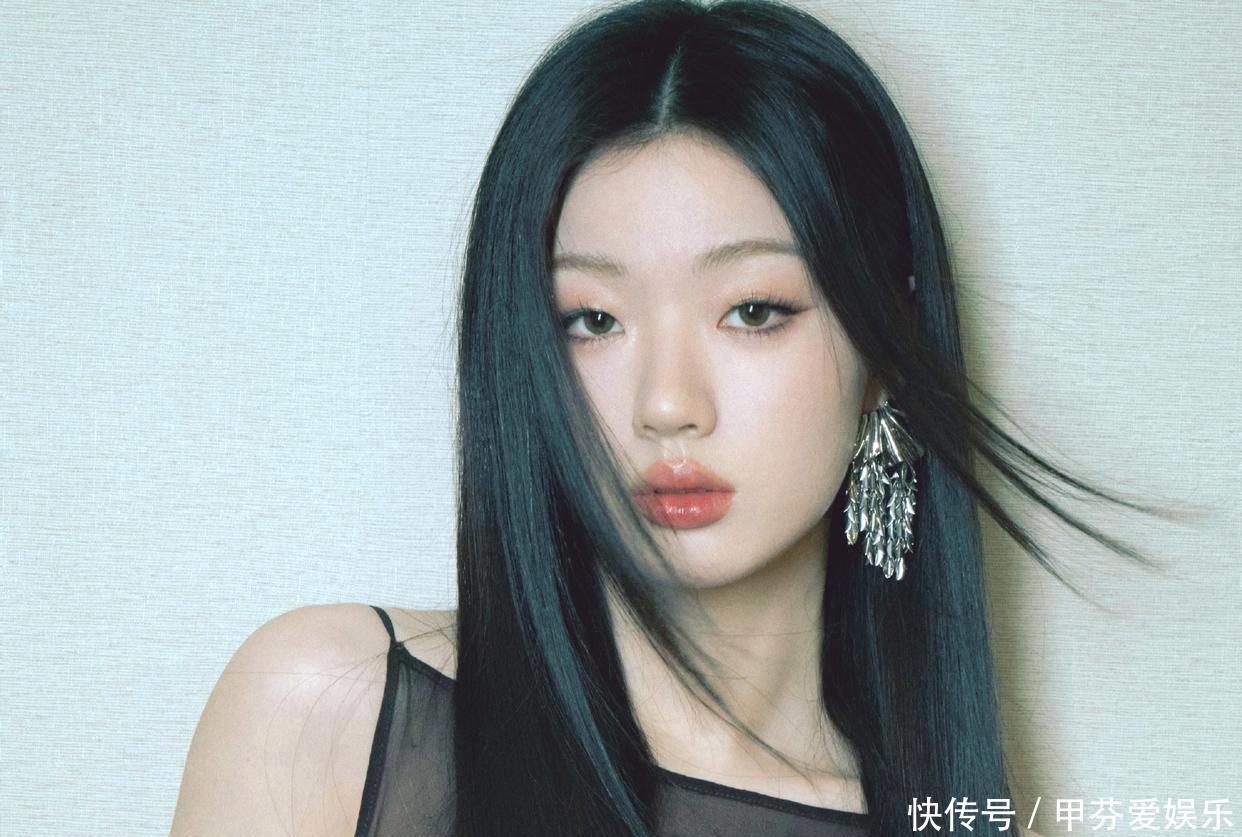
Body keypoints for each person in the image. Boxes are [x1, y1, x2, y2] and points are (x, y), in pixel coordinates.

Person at [172, 1, 1165, 835]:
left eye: (754, 311)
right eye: (593, 320)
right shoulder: (334, 712)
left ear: (884, 357)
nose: (666, 405)